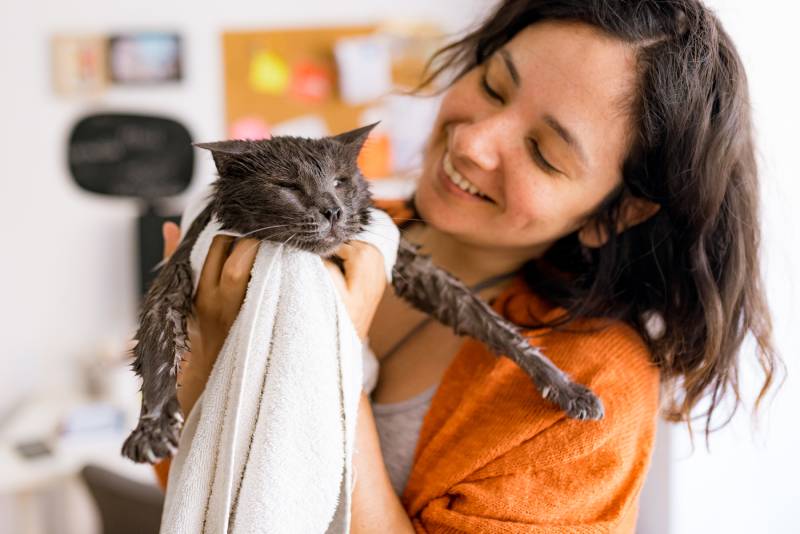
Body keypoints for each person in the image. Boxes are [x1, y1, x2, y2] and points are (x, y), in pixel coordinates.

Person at [156, 1, 781, 531]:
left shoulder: (591, 385)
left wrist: (330, 362)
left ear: (613, 215)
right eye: (492, 86)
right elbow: (202, 489)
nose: (472, 142)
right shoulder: (328, 234)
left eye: (542, 152)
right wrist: (203, 362)